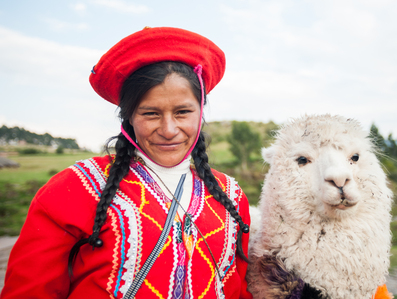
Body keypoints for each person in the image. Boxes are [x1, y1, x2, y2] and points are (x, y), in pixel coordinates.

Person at [1, 27, 252, 299]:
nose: (169, 129)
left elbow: (241, 289)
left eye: (182, 112)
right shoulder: (77, 188)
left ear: (200, 111)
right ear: (129, 117)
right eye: (151, 113)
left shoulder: (230, 195)